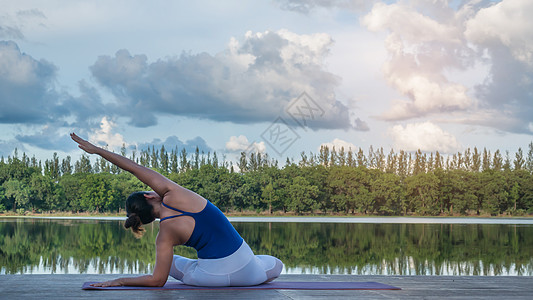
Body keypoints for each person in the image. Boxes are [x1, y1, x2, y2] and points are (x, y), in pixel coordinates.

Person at [70, 133, 283, 287]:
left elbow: (157, 280)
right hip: (248, 273)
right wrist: (97, 150)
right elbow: (134, 168)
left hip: (208, 280)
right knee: (275, 264)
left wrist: (120, 281)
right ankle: (249, 271)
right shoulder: (176, 193)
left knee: (171, 263)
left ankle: (208, 269)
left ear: (146, 219)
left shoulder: (164, 235)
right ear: (149, 195)